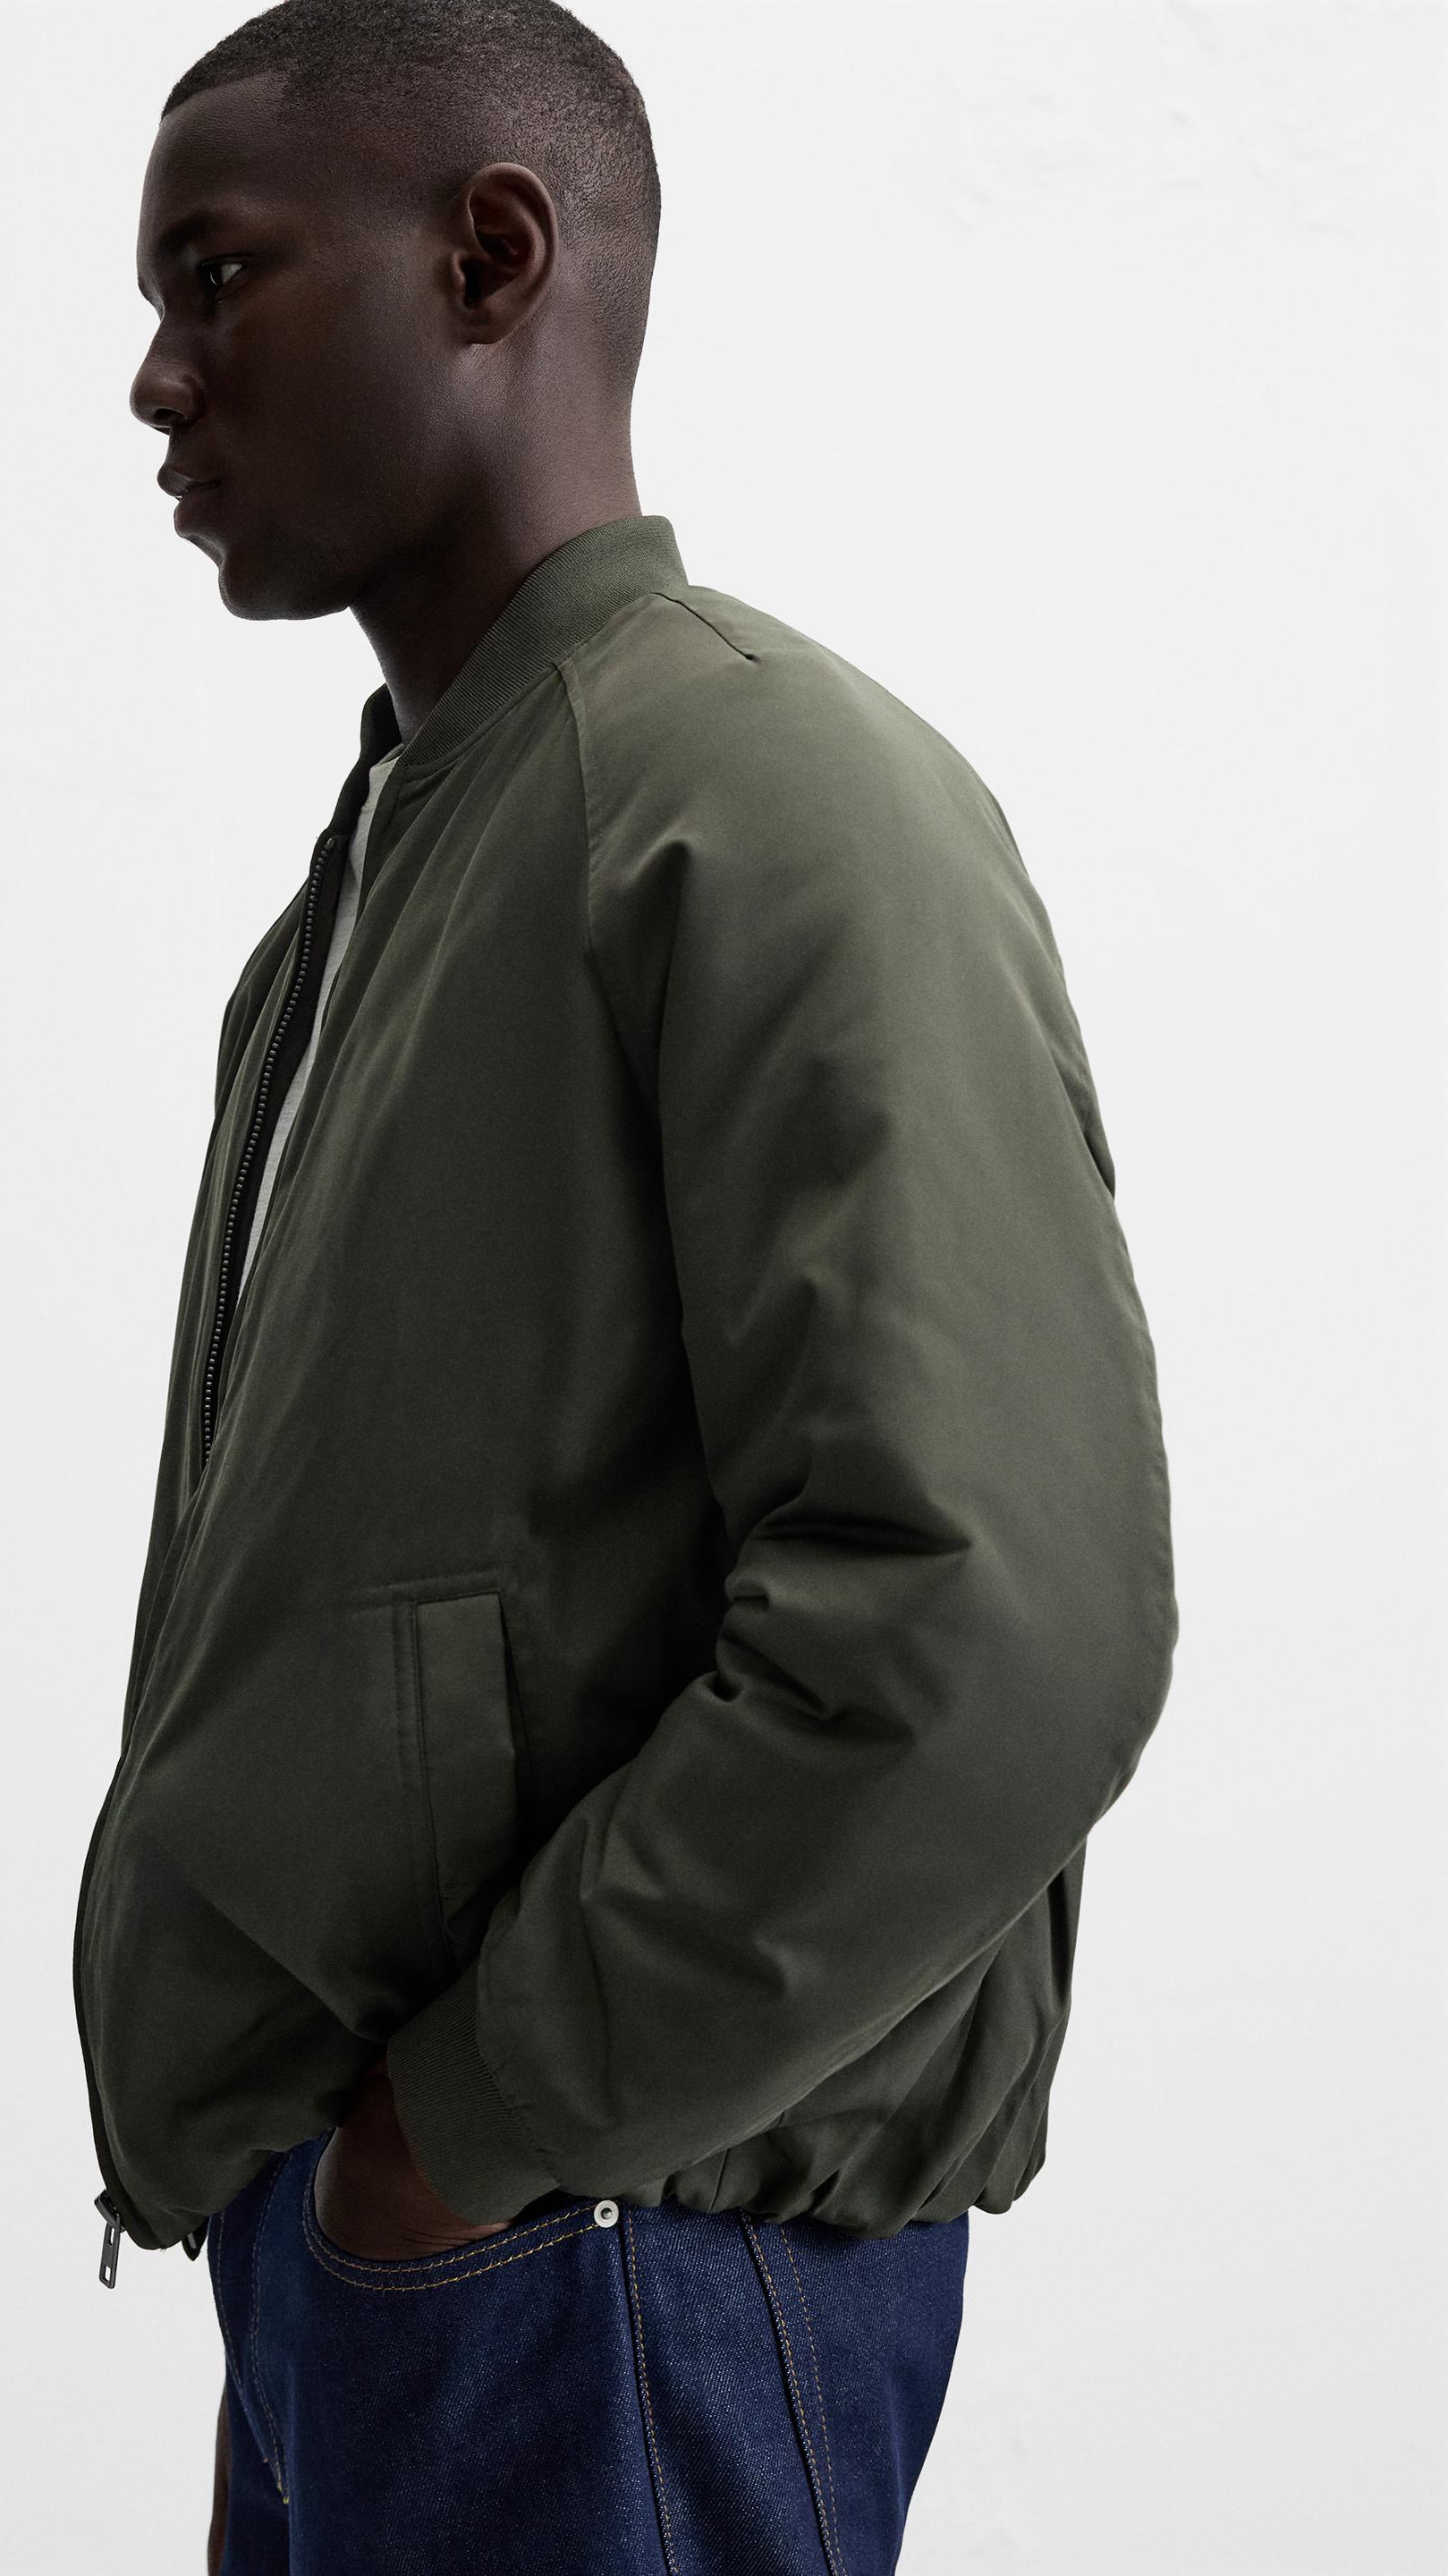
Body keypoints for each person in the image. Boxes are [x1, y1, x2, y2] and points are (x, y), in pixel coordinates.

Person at [78, 3, 1179, 2569]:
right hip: (407, 2266)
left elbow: (993, 1628)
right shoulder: (376, 888)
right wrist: (360, 2194)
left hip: (605, 2259)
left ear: (493, 256)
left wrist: (468, 2130)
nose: (156, 379)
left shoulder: (765, 794)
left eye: (218, 277)